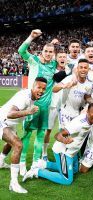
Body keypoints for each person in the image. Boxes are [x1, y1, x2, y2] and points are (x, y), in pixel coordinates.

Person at [22, 103, 93, 185]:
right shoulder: (78, 124)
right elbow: (58, 135)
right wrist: (64, 140)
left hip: (72, 152)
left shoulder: (88, 118)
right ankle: (37, 171)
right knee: (67, 180)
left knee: (74, 169)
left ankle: (43, 164)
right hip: (63, 152)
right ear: (88, 112)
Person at [18, 29, 57, 175]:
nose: (48, 54)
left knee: (40, 135)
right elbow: (21, 51)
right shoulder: (34, 61)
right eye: (46, 51)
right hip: (32, 105)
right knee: (27, 134)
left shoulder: (53, 64)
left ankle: (35, 163)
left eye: (50, 52)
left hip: (45, 107)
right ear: (42, 52)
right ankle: (22, 163)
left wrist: (53, 44)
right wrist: (31, 37)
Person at [0, 77, 47, 193]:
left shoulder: (32, 96)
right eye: (39, 87)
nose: (41, 90)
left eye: (44, 88)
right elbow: (10, 114)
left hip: (10, 123)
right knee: (18, 144)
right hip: (3, 120)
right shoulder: (25, 97)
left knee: (10, 143)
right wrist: (28, 112)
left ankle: (0, 161)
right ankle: (14, 183)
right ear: (33, 86)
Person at [53, 59, 93, 130]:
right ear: (77, 69)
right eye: (81, 67)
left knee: (73, 137)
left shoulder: (89, 84)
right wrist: (64, 86)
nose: (83, 70)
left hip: (77, 113)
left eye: (85, 68)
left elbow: (87, 97)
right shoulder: (70, 78)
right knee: (64, 135)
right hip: (65, 111)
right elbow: (54, 89)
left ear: (88, 69)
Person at [42, 51, 68, 160]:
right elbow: (56, 78)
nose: (62, 58)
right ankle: (44, 154)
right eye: (60, 57)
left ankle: (65, 151)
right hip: (53, 104)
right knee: (48, 130)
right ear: (56, 59)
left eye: (64, 57)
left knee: (65, 130)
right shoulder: (52, 70)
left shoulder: (71, 70)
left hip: (65, 106)